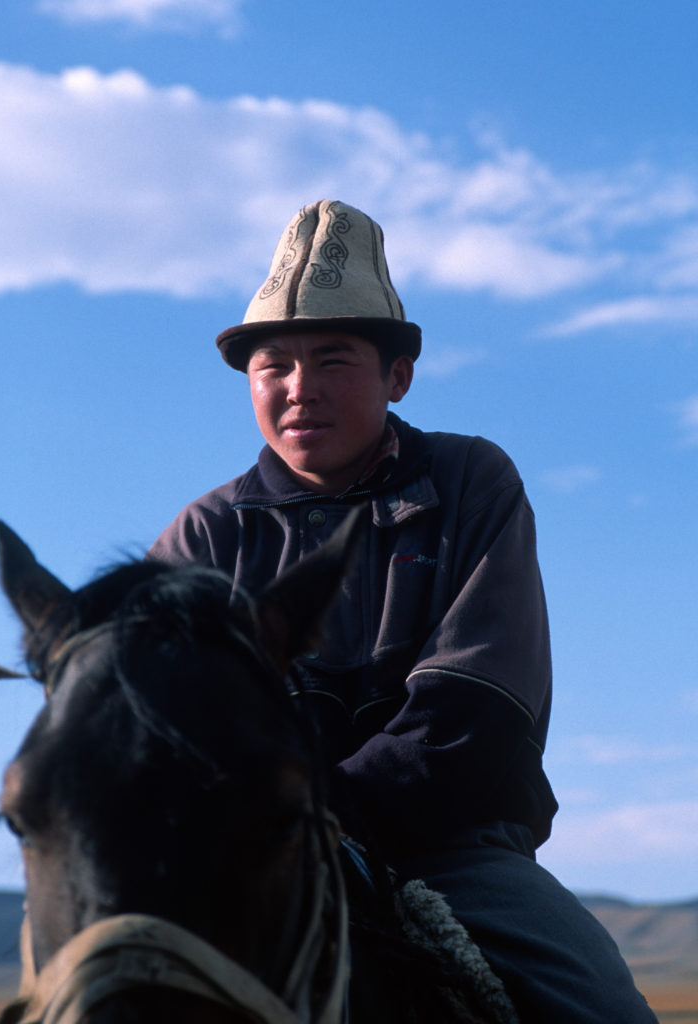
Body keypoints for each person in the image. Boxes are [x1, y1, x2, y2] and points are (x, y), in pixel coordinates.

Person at [150, 199, 656, 1022]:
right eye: (272, 365)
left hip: (449, 849)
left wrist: (323, 811)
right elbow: (150, 727)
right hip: (249, 852)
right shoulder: (202, 536)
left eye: (334, 359)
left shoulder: (468, 483)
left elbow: (478, 704)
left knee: (597, 1001)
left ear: (398, 375)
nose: (298, 389)